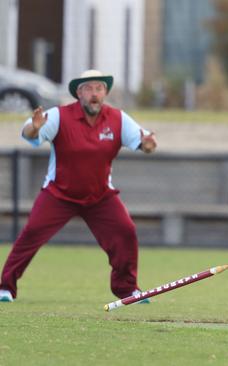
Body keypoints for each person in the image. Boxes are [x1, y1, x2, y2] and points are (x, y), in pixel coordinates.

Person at [0, 70, 157, 303]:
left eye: (99, 89)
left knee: (125, 232)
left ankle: (127, 290)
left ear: (105, 93)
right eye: (89, 89)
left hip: (100, 196)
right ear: (79, 94)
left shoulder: (118, 119)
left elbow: (145, 145)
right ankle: (5, 287)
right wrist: (34, 127)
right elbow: (29, 135)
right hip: (59, 193)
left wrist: (148, 144)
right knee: (31, 234)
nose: (95, 94)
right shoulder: (59, 116)